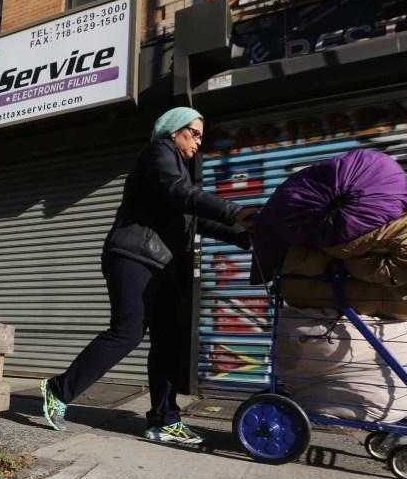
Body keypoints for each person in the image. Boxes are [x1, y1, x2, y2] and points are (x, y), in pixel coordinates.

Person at [40, 107, 256, 446]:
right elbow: (177, 193)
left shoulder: (179, 170)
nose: (200, 141)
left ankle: (163, 421)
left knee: (169, 343)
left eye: (202, 135)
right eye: (195, 132)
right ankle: (58, 389)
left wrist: (245, 235)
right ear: (174, 131)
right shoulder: (159, 154)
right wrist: (235, 211)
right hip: (133, 256)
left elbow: (196, 220)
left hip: (165, 266)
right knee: (127, 332)